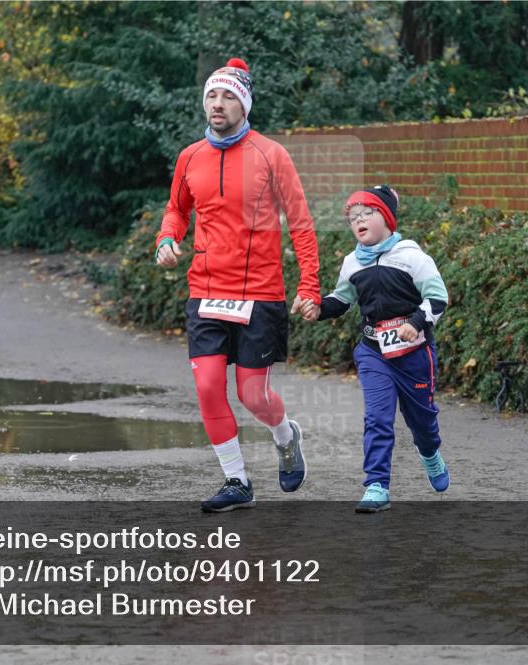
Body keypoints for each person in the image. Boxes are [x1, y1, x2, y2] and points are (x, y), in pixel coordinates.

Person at [155, 57, 322, 513]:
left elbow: (302, 225)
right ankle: (237, 480)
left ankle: (286, 437)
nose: (218, 103)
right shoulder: (190, 157)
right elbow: (177, 209)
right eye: (211, 95)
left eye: (228, 96)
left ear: (244, 104)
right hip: (205, 290)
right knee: (209, 386)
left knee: (253, 394)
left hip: (260, 293)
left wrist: (310, 285)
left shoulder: (272, 155)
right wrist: (167, 238)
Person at [294, 185, 449, 513]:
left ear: (388, 219)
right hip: (373, 352)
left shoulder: (412, 256)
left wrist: (416, 323)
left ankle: (430, 452)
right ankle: (376, 485)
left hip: (414, 352)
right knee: (377, 417)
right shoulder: (353, 262)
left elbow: (438, 297)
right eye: (353, 218)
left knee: (422, 422)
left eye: (368, 214)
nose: (359, 221)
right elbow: (342, 299)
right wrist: (318, 308)